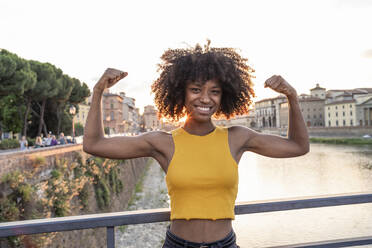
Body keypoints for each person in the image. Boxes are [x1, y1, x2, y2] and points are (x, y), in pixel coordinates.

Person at [83, 42, 309, 248]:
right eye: (195, 89)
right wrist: (98, 91)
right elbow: (94, 144)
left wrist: (292, 97)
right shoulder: (163, 142)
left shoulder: (237, 137)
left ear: (223, 97)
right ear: (180, 94)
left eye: (214, 92)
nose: (205, 98)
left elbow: (298, 146)